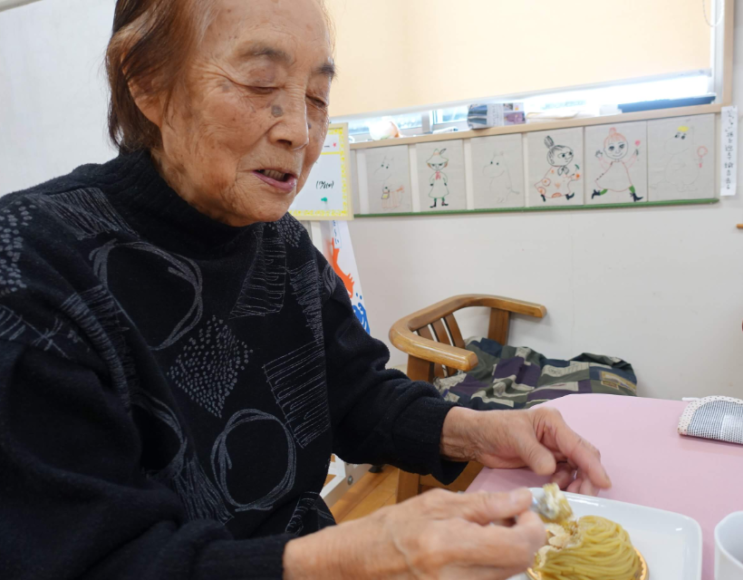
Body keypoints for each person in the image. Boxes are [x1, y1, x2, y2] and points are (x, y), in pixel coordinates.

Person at [0, 1, 610, 578]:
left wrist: (478, 430)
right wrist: (348, 558)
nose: (300, 130)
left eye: (317, 96)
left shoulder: (279, 243)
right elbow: (92, 559)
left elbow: (354, 393)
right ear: (147, 81)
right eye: (260, 83)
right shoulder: (31, 266)